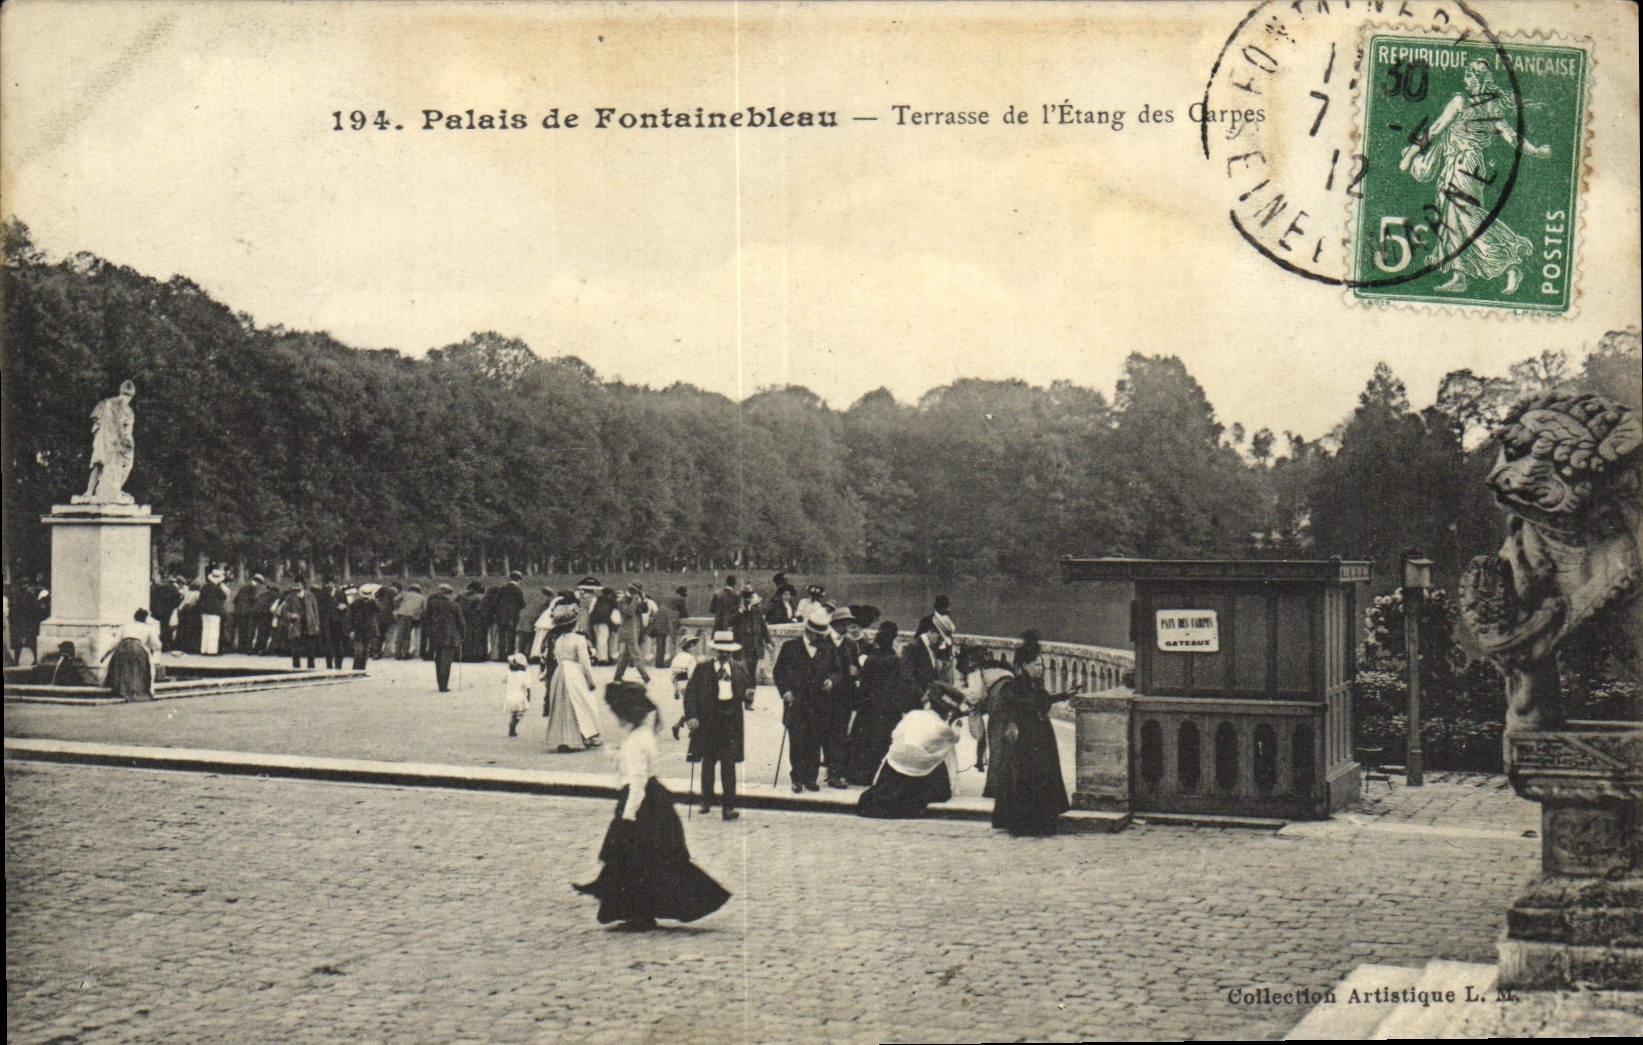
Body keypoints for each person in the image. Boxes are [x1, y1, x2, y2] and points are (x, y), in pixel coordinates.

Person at [574, 683, 731, 931]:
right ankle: (636, 909)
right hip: (653, 801)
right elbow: (638, 769)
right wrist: (616, 756)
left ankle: (638, 912)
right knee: (646, 861)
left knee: (636, 860)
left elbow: (637, 781)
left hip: (641, 803)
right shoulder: (642, 734)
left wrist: (627, 816)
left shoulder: (636, 740)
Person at [1401, 59, 1551, 295]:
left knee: (1465, 217)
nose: (1465, 81)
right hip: (1468, 165)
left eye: (1469, 77)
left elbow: (1437, 128)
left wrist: (1410, 154)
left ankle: (1510, 262)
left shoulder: (1462, 102)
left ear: (1480, 80)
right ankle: (1460, 274)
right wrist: (1537, 151)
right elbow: (1513, 139)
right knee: (1454, 218)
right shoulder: (1493, 108)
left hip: (1463, 165)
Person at [989, 631, 1073, 836]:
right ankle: (1028, 822)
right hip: (1027, 740)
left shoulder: (1032, 685)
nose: (1041, 668)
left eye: (1042, 665)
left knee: (1042, 774)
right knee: (1030, 776)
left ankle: (1039, 820)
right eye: (1036, 665)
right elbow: (1012, 708)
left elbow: (1042, 700)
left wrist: (1064, 695)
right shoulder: (1014, 686)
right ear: (1025, 666)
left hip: (1040, 736)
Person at [857, 684, 969, 818]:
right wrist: (955, 725)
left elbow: (896, 734)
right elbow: (955, 738)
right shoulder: (943, 728)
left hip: (895, 764)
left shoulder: (913, 715)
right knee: (941, 752)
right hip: (920, 771)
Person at [773, 606, 846, 793]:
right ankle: (797, 778)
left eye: (822, 635)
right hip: (796, 702)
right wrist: (785, 691)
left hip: (820, 704)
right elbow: (778, 672)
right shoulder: (790, 647)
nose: (820, 638)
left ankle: (810, 778)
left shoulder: (828, 649)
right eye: (817, 634)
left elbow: (838, 671)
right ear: (807, 631)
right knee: (797, 741)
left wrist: (831, 680)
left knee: (815, 741)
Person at [684, 630, 754, 820]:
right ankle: (706, 800)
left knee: (728, 765)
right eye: (720, 651)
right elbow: (690, 694)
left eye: (727, 652)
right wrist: (691, 716)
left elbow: (745, 693)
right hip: (708, 721)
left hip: (730, 721)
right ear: (715, 651)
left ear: (731, 652)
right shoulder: (703, 668)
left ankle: (728, 807)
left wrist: (748, 697)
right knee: (708, 763)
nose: (724, 655)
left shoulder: (739, 668)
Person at [843, 621, 903, 785]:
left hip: (868, 707)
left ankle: (858, 774)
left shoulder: (871, 659)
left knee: (864, 741)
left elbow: (864, 685)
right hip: (886, 709)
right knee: (883, 741)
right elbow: (896, 687)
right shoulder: (896, 661)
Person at [545, 603, 602, 751]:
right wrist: (590, 680)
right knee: (583, 702)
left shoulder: (558, 640)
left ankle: (564, 738)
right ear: (574, 623)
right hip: (574, 672)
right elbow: (585, 662)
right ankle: (588, 735)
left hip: (560, 672)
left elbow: (557, 658)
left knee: (562, 704)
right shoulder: (579, 639)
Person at [79, 380, 137, 503]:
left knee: (101, 464)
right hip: (110, 442)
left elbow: (95, 424)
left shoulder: (106, 404)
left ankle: (99, 491)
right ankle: (94, 491)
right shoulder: (123, 409)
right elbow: (126, 432)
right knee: (108, 464)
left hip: (108, 441)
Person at [102, 608, 163, 699]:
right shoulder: (148, 628)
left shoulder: (126, 626)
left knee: (122, 668)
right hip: (138, 648)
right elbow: (157, 645)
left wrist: (105, 655)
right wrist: (153, 648)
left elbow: (115, 642)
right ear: (145, 618)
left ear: (135, 617)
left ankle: (120, 689)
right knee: (141, 668)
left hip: (123, 647)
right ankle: (137, 690)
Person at [422, 583, 466, 692]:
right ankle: (444, 686)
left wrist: (429, 632)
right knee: (446, 661)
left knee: (438, 660)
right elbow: (461, 622)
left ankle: (440, 684)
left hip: (435, 635)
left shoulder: (431, 603)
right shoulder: (454, 605)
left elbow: (426, 618)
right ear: (449, 593)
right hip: (450, 636)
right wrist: (462, 635)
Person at [731, 584, 772, 685]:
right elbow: (728, 622)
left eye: (749, 596)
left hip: (754, 646)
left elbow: (763, 628)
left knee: (752, 674)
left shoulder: (756, 611)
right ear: (741, 598)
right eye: (745, 596)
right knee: (740, 673)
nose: (747, 599)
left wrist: (768, 642)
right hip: (740, 646)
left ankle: (750, 694)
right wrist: (739, 612)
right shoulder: (736, 610)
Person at [612, 583, 652, 683]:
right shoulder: (622, 600)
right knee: (636, 654)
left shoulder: (634, 600)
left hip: (634, 630)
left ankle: (618, 676)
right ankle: (645, 676)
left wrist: (643, 600)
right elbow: (629, 612)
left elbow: (644, 610)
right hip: (627, 631)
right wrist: (635, 600)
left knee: (626, 655)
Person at [668, 636, 701, 740]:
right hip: (689, 684)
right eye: (692, 646)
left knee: (689, 706)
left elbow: (673, 675)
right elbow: (693, 674)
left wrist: (676, 689)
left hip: (680, 684)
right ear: (687, 647)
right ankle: (683, 727)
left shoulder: (676, 658)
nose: (694, 648)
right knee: (694, 706)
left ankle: (687, 728)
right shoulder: (690, 659)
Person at [283, 579, 321, 669]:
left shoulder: (310, 596)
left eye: (298, 585)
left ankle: (311, 668)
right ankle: (296, 668)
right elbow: (284, 611)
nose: (296, 587)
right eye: (295, 585)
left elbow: (315, 611)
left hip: (309, 625)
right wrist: (291, 615)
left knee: (311, 649)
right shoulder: (289, 597)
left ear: (303, 586)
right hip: (296, 625)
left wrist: (317, 624)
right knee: (295, 649)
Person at [492, 571, 526, 659]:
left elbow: (496, 601)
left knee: (502, 635)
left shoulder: (503, 588)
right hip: (512, 616)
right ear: (519, 579)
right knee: (511, 635)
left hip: (501, 615)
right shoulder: (518, 589)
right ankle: (509, 654)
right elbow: (522, 603)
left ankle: (501, 655)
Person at [346, 586, 378, 670]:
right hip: (357, 630)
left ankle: (362, 669)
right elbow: (349, 617)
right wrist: (351, 630)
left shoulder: (372, 604)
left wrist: (373, 600)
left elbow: (378, 610)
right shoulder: (355, 604)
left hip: (368, 630)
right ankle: (356, 669)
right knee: (358, 651)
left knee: (366, 651)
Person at [502, 652, 535, 737]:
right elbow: (528, 687)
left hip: (509, 696)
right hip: (520, 696)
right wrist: (528, 697)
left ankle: (511, 726)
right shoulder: (524, 674)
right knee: (521, 712)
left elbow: (503, 680)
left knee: (513, 712)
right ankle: (513, 725)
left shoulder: (509, 673)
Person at [392, 584, 426, 660]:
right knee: (407, 635)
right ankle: (405, 653)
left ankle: (397, 653)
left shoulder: (404, 594)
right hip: (412, 617)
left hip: (402, 615)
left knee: (400, 634)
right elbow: (423, 609)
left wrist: (398, 607)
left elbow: (395, 599)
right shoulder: (422, 597)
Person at [457, 581, 488, 662]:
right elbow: (480, 609)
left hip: (464, 618)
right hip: (475, 619)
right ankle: (475, 655)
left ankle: (464, 655)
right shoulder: (478, 597)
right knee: (476, 637)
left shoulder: (461, 596)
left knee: (465, 637)